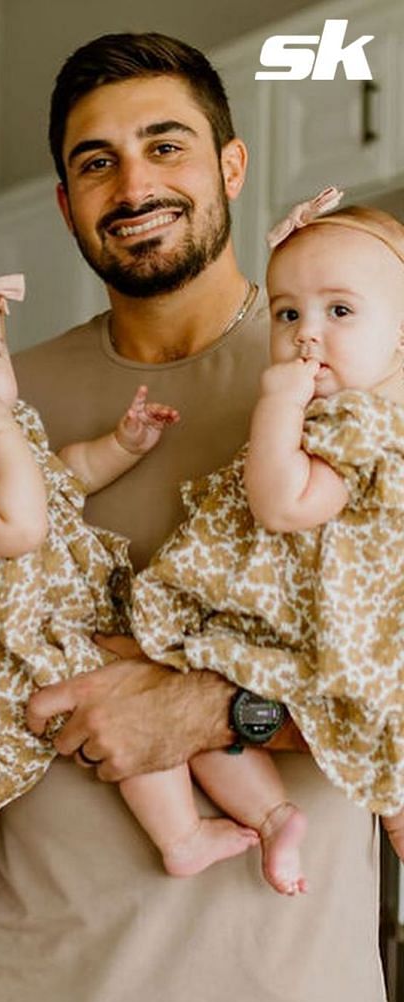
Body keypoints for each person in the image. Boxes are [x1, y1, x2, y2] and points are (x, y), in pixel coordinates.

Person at [0, 34, 389, 1002]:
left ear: (231, 165)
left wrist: (217, 706)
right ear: (66, 199)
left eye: (164, 145)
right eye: (96, 162)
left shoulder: (360, 387)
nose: (133, 184)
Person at [0, 260, 310, 893]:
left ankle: (273, 813)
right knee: (121, 707)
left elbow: (61, 478)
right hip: (8, 654)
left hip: (54, 621)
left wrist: (122, 445)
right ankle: (180, 836)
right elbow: (21, 523)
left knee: (174, 689)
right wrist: (6, 435)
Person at [133, 187, 404, 854]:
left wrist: (276, 408)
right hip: (289, 632)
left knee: (171, 687)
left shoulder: (356, 420)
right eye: (287, 313)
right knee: (177, 710)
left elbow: (283, 504)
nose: (306, 333)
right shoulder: (367, 407)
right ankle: (268, 820)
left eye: (339, 310)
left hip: (313, 634)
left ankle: (258, 819)